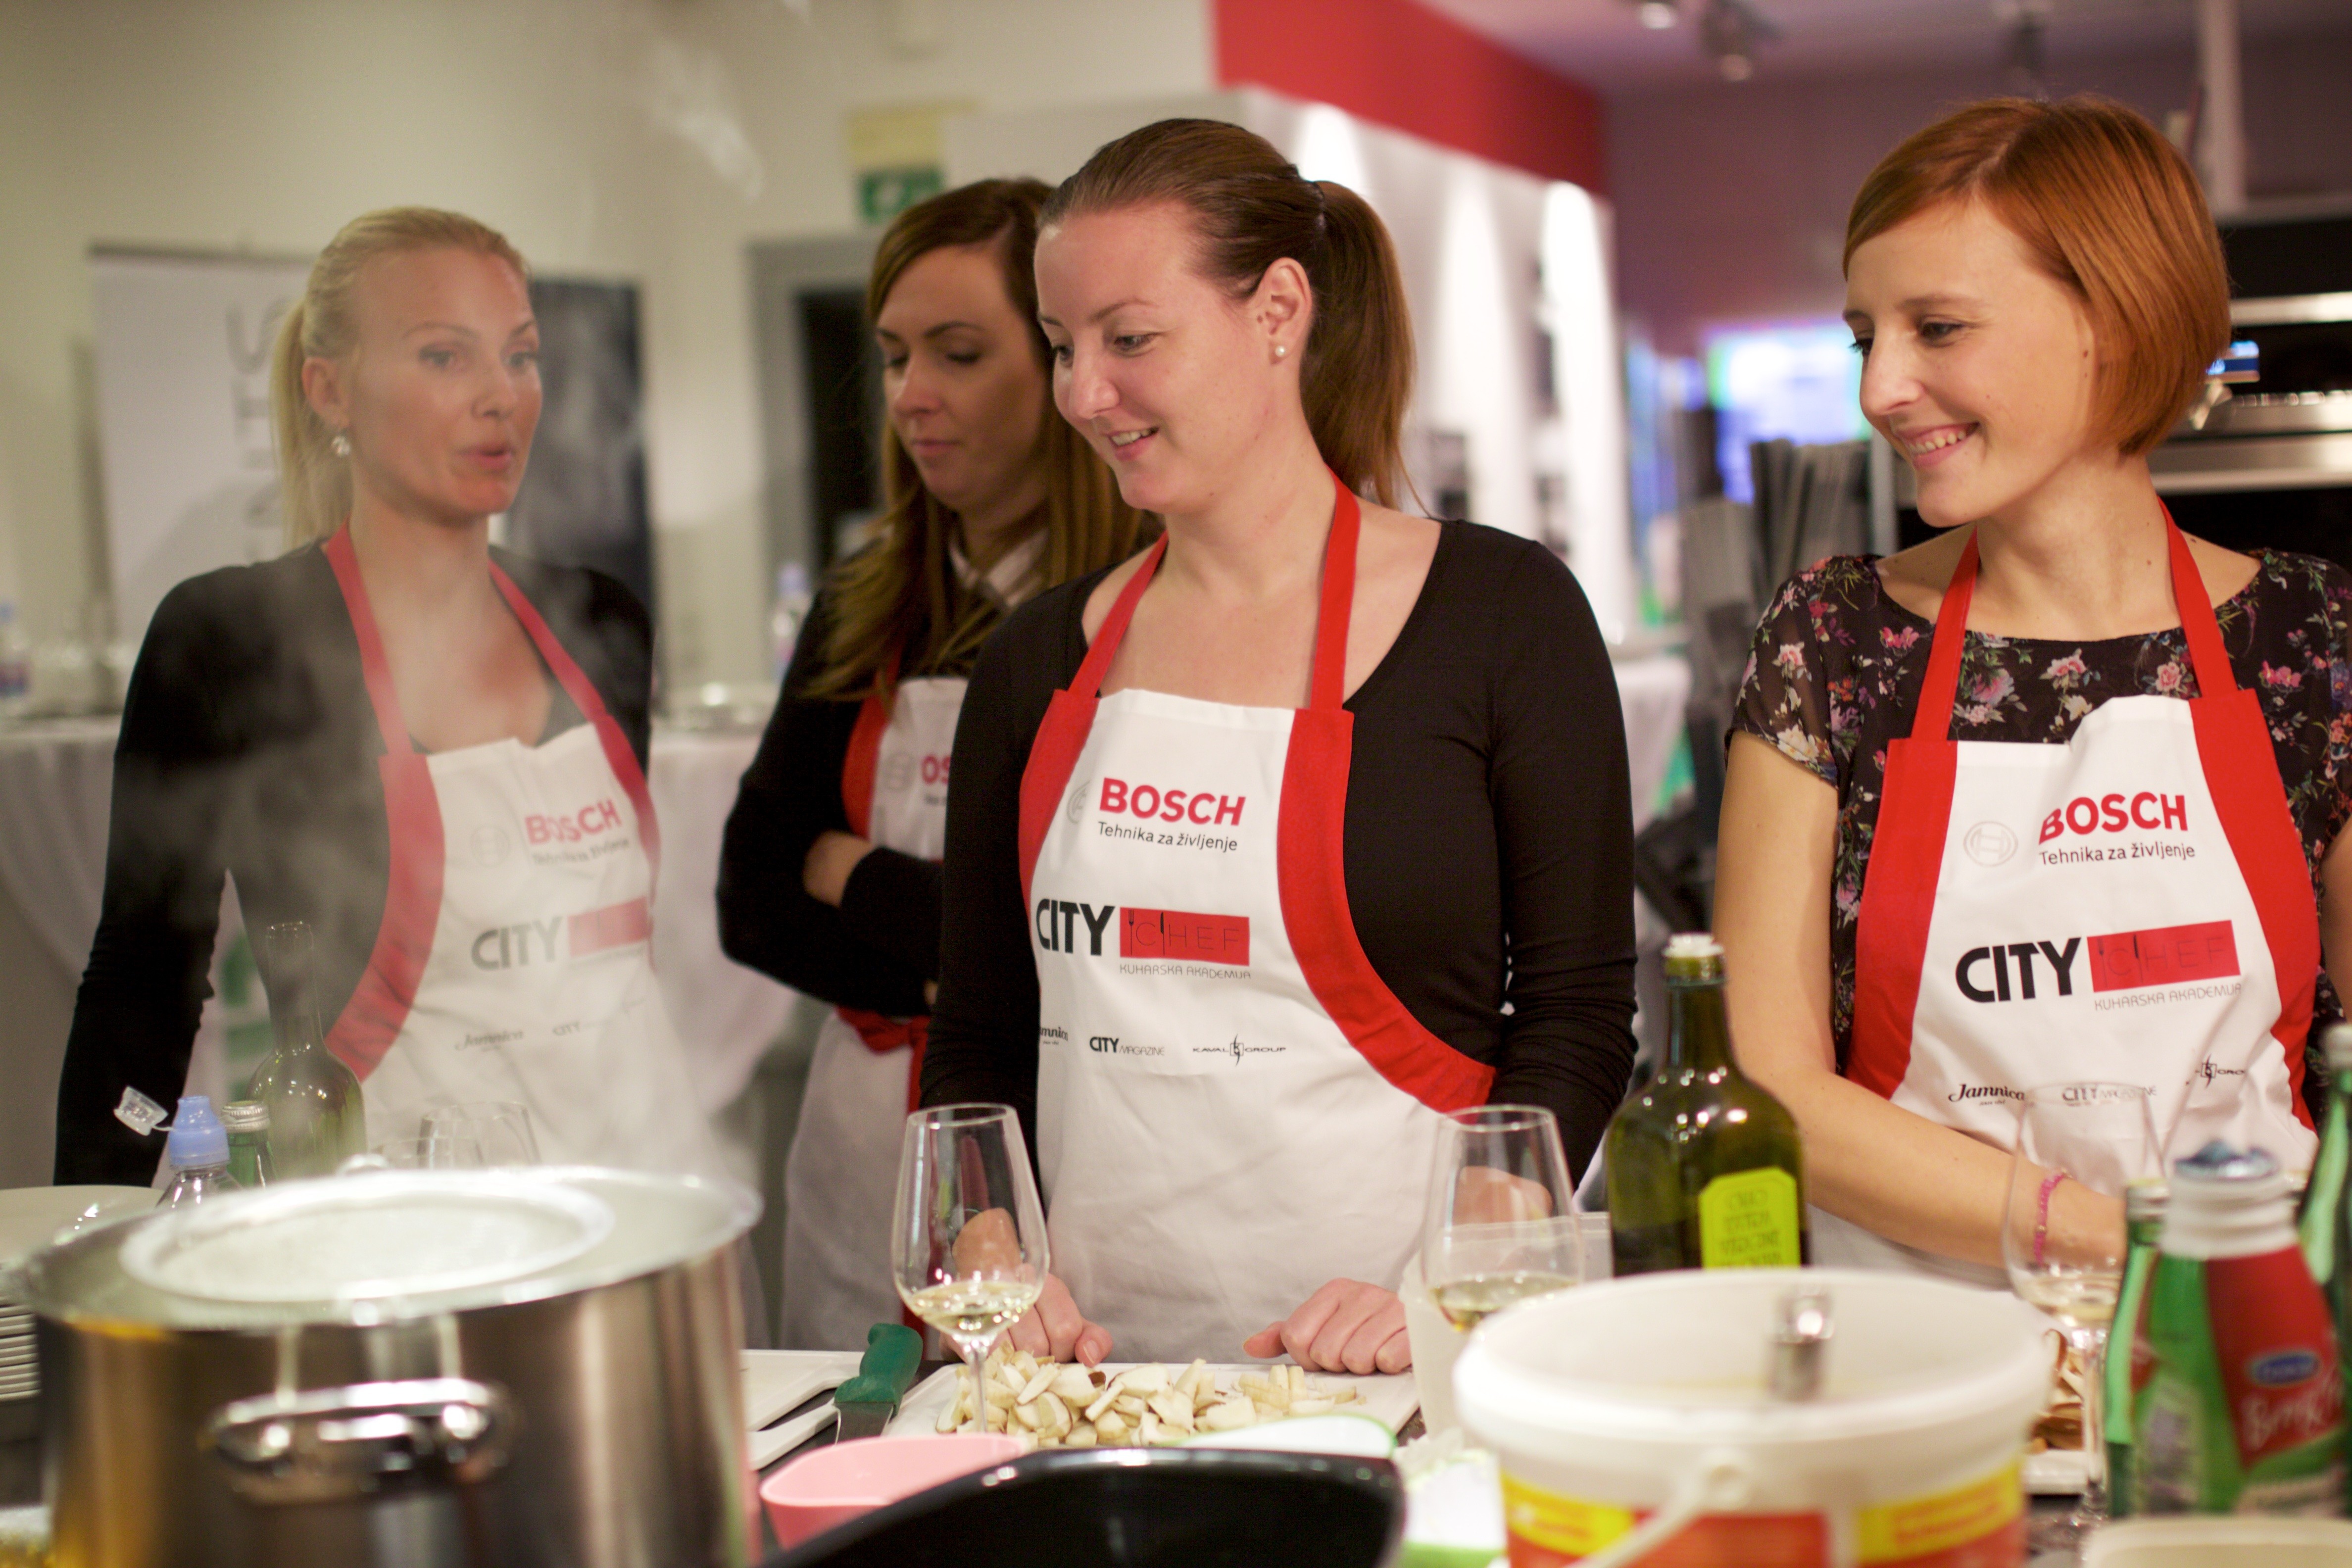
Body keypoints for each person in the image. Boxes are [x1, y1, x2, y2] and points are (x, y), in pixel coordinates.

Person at [921, 119, 1639, 1372]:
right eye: (1062, 346)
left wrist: (1458, 1269)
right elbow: (980, 1033)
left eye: (1129, 340)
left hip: (1409, 1352)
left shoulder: (1498, 613)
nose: (1083, 394)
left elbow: (1576, 1014)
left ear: (1279, 312)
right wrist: (987, 1244)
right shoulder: (1036, 659)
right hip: (1102, 1377)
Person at [1716, 96, 2352, 1284]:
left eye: (1937, 328)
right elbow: (1770, 1082)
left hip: (2249, 1336)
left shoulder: (2312, 638)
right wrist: (2134, 1246)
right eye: (1865, 339)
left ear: (2114, 319)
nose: (1881, 389)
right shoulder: (1832, 640)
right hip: (1934, 1346)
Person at [56, 207, 711, 1183]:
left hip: (647, 1195)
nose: (501, 396)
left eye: (521, 356)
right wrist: (89, 1227)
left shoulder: (601, 621)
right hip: (401, 1224)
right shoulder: (233, 642)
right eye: (445, 356)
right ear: (330, 389)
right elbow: (141, 986)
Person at [717, 178, 1149, 1351]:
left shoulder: (1142, 607)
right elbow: (752, 895)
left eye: (958, 354)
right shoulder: (866, 602)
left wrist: (855, 873)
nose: (913, 394)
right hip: (868, 1150)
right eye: (895, 356)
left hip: (1066, 1148)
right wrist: (967, 962)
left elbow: (1109, 935)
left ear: (1062, 366)